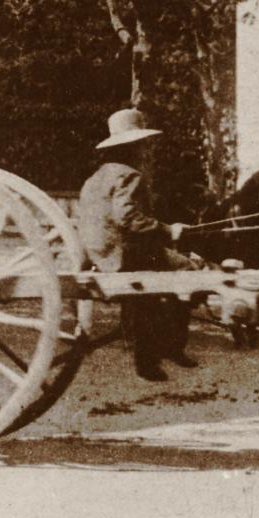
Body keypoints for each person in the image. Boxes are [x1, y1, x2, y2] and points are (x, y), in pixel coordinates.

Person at [77, 108, 200, 381]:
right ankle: (167, 349)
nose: (146, 150)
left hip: (99, 254)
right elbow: (127, 217)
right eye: (143, 144)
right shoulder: (130, 174)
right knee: (192, 271)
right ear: (132, 147)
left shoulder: (95, 177)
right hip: (122, 254)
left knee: (163, 282)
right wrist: (170, 231)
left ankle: (160, 350)